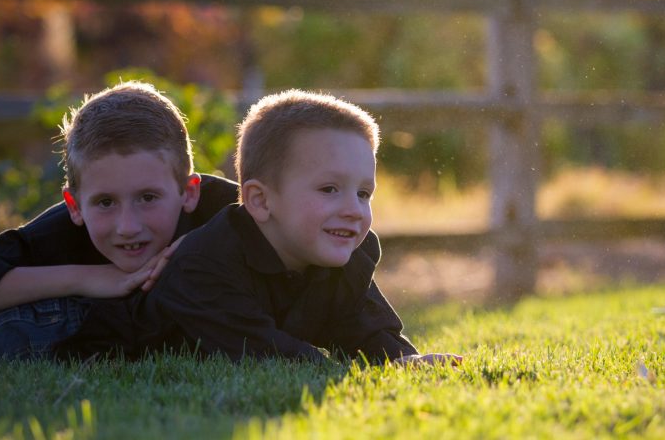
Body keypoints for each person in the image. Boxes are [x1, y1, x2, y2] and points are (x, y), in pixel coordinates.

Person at [66, 89, 461, 365]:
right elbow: (262, 349)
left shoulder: (346, 252)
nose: (353, 210)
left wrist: (402, 360)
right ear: (259, 200)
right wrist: (340, 376)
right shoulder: (203, 264)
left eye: (363, 194)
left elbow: (361, 323)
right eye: (329, 189)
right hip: (71, 327)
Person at [0, 81, 239, 359]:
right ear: (75, 206)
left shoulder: (231, 211)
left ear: (189, 192)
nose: (128, 227)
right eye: (105, 203)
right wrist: (87, 278)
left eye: (148, 198)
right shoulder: (60, 233)